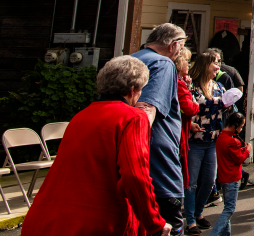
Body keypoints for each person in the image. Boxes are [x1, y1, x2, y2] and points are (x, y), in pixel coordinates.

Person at [21, 56, 171, 236]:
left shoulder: (81, 116)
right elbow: (135, 175)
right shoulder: (133, 118)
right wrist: (155, 223)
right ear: (132, 91)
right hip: (95, 223)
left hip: (47, 219)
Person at [133, 23, 188, 235]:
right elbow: (146, 109)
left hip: (132, 168)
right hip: (157, 166)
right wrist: (135, 149)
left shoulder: (131, 59)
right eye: (182, 47)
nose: (181, 52)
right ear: (173, 45)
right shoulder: (163, 63)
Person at [185, 50, 226, 235]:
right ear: (205, 65)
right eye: (215, 63)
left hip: (213, 140)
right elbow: (184, 110)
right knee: (191, 182)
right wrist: (190, 125)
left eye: (219, 63)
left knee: (209, 181)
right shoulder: (192, 87)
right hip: (195, 141)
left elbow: (226, 107)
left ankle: (198, 212)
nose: (218, 66)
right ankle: (190, 221)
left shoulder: (218, 86)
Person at [212, 113, 251, 236]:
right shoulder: (232, 141)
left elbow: (232, 154)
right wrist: (247, 151)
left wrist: (243, 149)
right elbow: (239, 159)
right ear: (235, 125)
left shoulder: (221, 137)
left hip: (223, 177)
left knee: (227, 208)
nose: (241, 129)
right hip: (232, 178)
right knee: (229, 209)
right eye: (241, 126)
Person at [177, 48, 200, 191]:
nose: (189, 64)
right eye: (187, 60)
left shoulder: (181, 82)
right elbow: (190, 108)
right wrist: (196, 104)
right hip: (179, 133)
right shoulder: (179, 83)